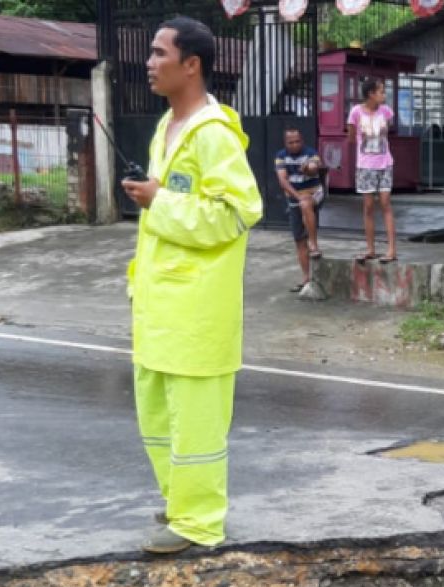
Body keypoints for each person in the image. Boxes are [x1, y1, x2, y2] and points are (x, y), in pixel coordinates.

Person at [121, 16, 263, 555]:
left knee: (197, 421)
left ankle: (199, 522)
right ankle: (178, 501)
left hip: (199, 308)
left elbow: (238, 212)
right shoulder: (166, 127)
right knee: (157, 413)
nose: (150, 63)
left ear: (192, 65)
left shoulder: (214, 134)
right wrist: (156, 197)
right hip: (159, 301)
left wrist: (161, 200)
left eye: (160, 54)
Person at [347, 77, 398, 264]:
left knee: (385, 202)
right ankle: (371, 248)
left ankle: (392, 249)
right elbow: (351, 137)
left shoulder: (386, 111)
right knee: (368, 206)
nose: (384, 95)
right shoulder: (355, 113)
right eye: (381, 92)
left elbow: (388, 130)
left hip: (385, 162)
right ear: (371, 94)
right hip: (365, 164)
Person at [274, 127, 324, 292]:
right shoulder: (281, 157)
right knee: (298, 240)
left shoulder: (310, 152)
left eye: (297, 141)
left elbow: (315, 166)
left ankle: (314, 244)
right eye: (291, 142)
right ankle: (306, 278)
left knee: (306, 204)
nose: (295, 145)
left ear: (302, 140)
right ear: (285, 143)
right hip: (295, 196)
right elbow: (283, 181)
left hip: (313, 192)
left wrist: (308, 169)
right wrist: (297, 195)